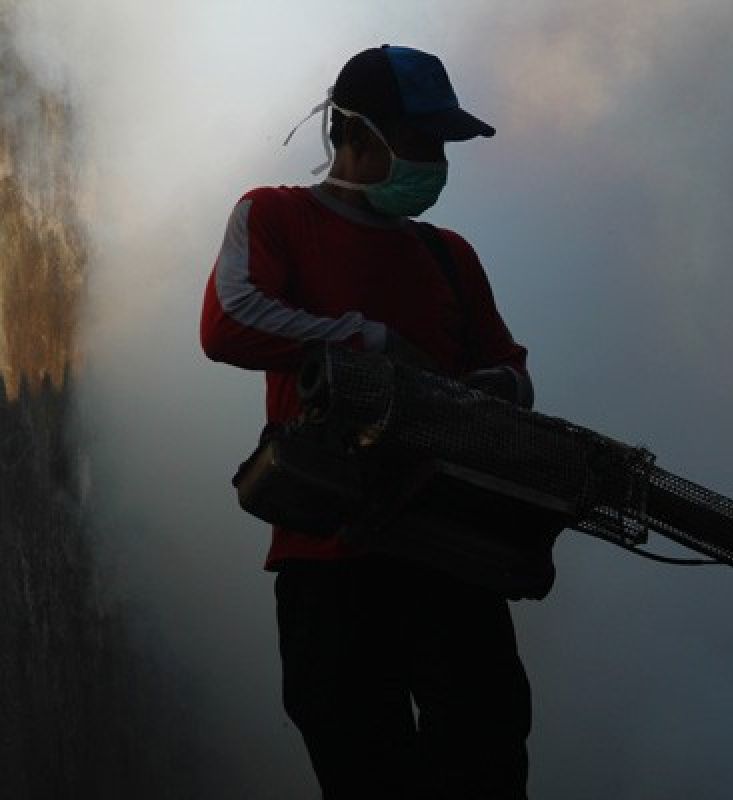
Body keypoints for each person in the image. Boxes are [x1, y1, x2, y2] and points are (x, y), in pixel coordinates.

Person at [200, 45, 534, 798]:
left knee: (486, 750)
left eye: (442, 146)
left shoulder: (449, 255)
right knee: (361, 758)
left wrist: (495, 388)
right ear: (354, 137)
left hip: (450, 550)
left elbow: (512, 369)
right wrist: (376, 345)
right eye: (421, 143)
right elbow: (230, 324)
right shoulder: (276, 216)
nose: (437, 162)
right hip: (329, 555)